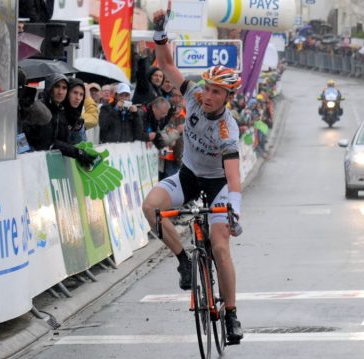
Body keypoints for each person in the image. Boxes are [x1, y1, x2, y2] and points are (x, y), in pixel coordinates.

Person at [141, 4, 245, 345]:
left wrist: (234, 211)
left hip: (218, 186)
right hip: (188, 174)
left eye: (218, 92)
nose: (209, 95)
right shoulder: (194, 96)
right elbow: (167, 64)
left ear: (228, 96)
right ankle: (184, 261)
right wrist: (160, 33)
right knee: (151, 207)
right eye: (208, 88)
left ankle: (230, 314)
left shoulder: (228, 130)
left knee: (220, 247)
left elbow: (233, 178)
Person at [24, 73, 96, 166]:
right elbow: (48, 143)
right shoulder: (41, 109)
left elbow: (64, 141)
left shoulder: (61, 111)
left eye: (64, 88)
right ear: (50, 88)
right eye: (57, 86)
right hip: (34, 164)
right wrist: (76, 152)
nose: (60, 92)